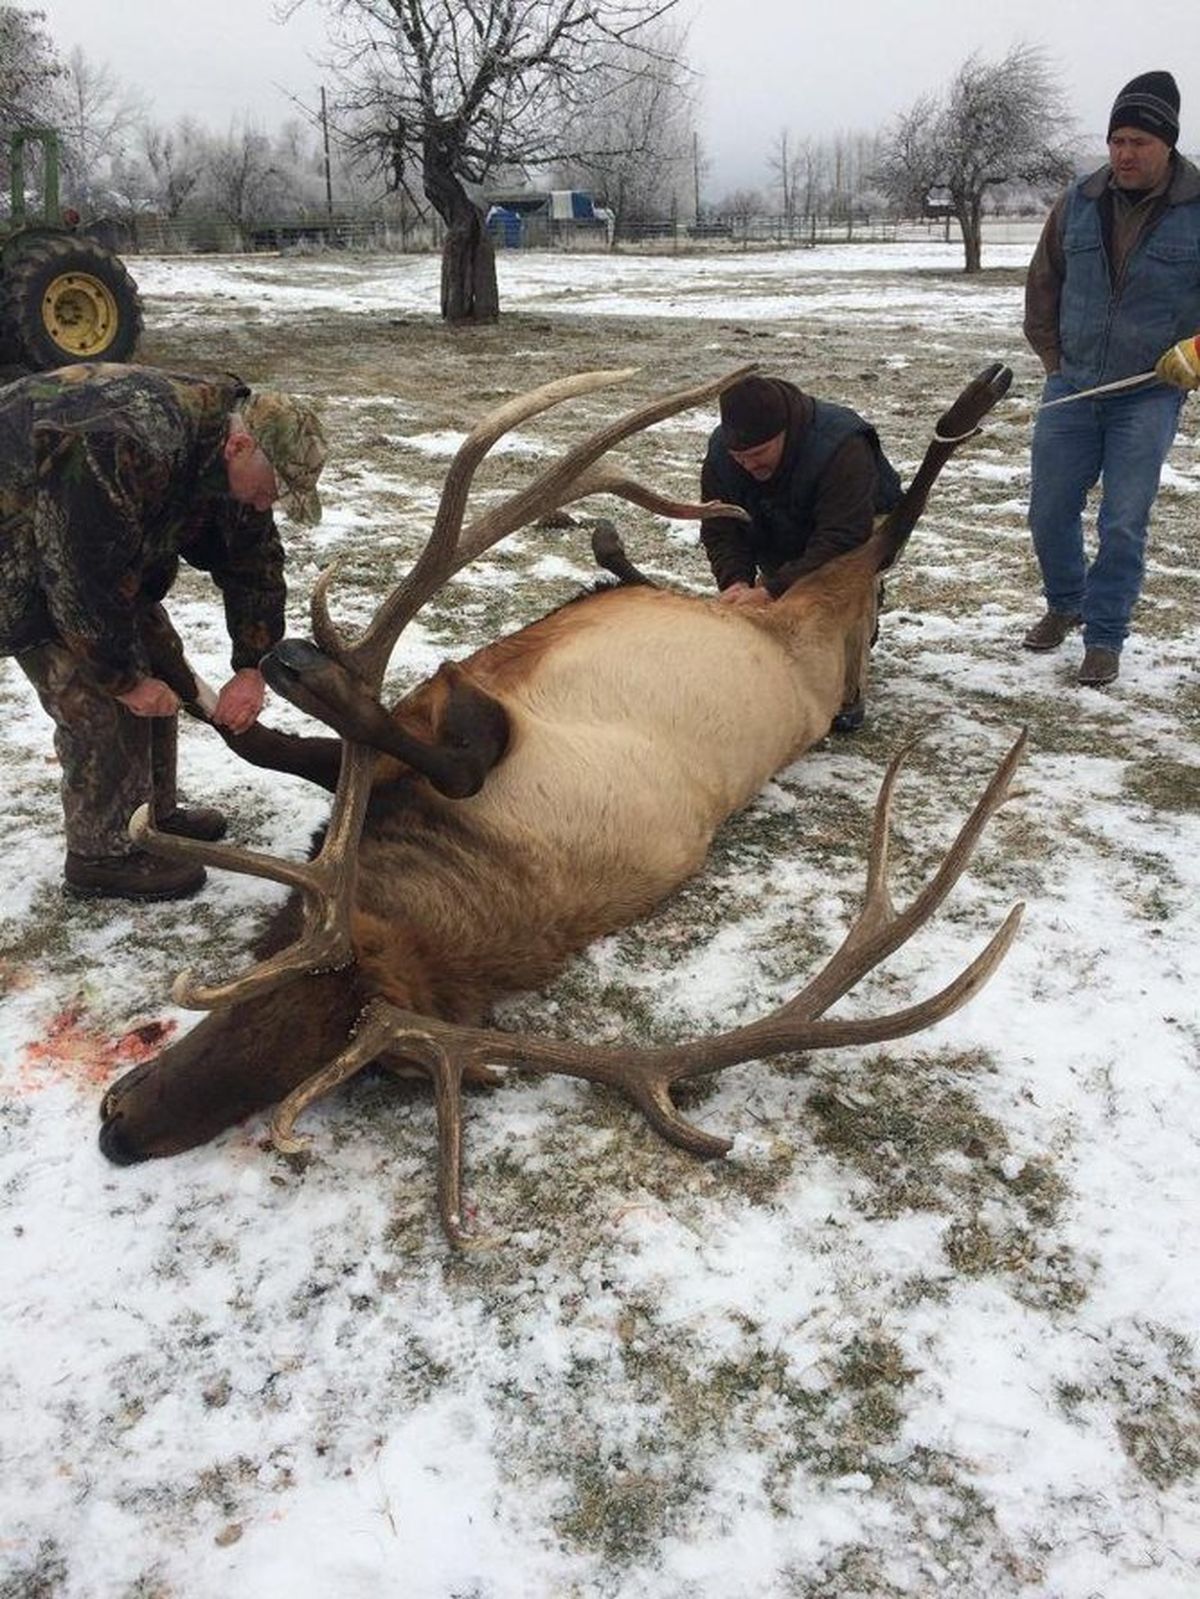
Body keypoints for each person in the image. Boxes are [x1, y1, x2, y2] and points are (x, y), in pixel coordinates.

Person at [0, 362, 327, 901]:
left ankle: (149, 816)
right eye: (271, 491)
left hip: (90, 554)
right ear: (240, 448)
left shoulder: (234, 452)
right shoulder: (124, 441)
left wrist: (253, 663)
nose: (267, 504)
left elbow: (254, 561)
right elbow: (79, 579)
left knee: (159, 670)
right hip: (22, 543)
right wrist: (124, 681)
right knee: (97, 694)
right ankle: (103, 853)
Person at [1023, 70, 1200, 687]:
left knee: (1123, 521)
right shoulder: (1078, 200)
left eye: (1139, 143)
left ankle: (1104, 635)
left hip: (1148, 396)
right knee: (1048, 511)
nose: (1124, 153)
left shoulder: (1197, 210)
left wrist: (1196, 355)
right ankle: (1065, 601)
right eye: (1116, 140)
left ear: (1168, 145)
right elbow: (1043, 285)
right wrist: (1055, 364)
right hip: (1073, 387)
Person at [698, 371, 902, 728]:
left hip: (860, 532)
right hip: (784, 527)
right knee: (771, 614)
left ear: (785, 432)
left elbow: (844, 538)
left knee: (837, 590)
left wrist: (772, 588)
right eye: (740, 457)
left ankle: (844, 694)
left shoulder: (841, 444)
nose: (748, 465)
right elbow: (721, 528)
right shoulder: (721, 456)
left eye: (759, 454)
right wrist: (736, 582)